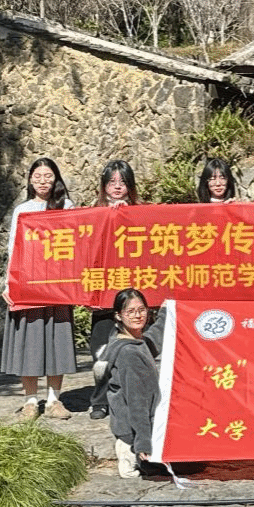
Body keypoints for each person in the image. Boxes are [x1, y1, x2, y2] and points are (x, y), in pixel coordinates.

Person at [1, 157, 78, 420]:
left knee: (57, 340)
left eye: (48, 176)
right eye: (38, 176)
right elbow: (13, 247)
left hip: (57, 285)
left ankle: (54, 399)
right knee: (30, 340)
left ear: (56, 179)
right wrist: (9, 284)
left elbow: (76, 242)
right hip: (29, 283)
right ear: (30, 180)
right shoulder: (22, 210)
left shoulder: (67, 206)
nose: (43, 181)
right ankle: (31, 401)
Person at [88, 160, 139, 421]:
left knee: (132, 349)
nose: (117, 187)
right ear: (104, 186)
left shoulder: (141, 214)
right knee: (100, 350)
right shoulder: (94, 214)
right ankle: (99, 401)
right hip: (102, 292)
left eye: (122, 182)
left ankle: (132, 399)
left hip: (132, 293)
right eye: (112, 182)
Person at [102, 288, 165, 479]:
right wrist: (143, 442)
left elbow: (154, 338)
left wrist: (166, 313)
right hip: (133, 439)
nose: (137, 316)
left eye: (141, 310)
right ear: (118, 315)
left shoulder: (134, 341)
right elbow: (136, 401)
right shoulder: (129, 353)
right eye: (130, 311)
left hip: (140, 430)